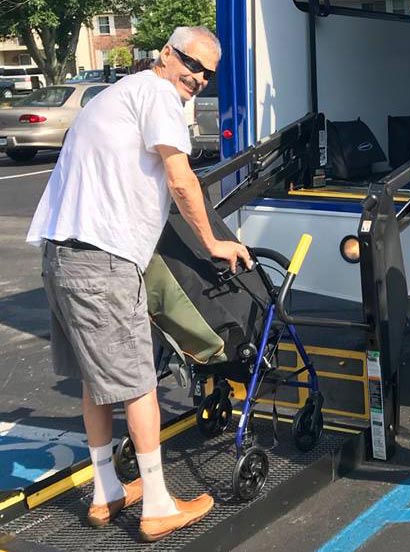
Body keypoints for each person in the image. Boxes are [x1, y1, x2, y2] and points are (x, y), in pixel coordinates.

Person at [26, 26, 252, 541]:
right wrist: (214, 242)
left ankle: (108, 491)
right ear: (167, 55)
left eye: (207, 74)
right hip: (103, 263)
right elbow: (179, 177)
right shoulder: (157, 95)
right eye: (191, 65)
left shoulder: (114, 95)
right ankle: (156, 505)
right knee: (138, 384)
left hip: (63, 256)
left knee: (97, 380)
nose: (197, 78)